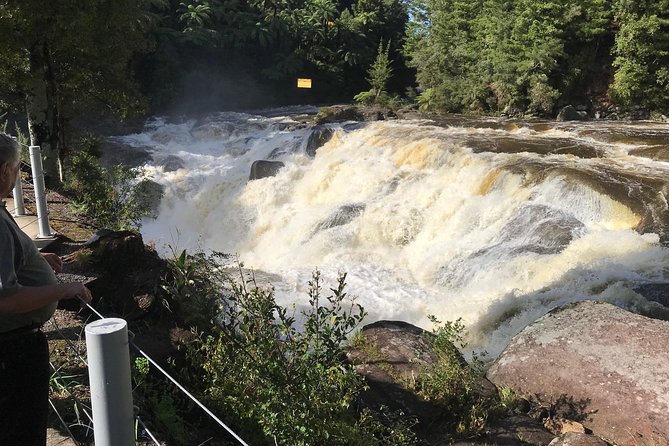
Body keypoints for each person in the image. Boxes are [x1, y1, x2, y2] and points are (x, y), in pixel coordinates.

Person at [0, 132, 92, 445]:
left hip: (10, 349)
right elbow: (5, 300)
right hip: (12, 353)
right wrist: (63, 290)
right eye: (15, 169)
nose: (16, 176)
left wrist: (32, 257)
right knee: (20, 432)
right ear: (4, 171)